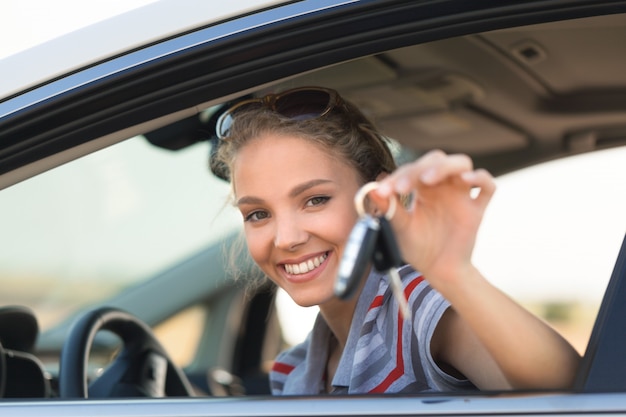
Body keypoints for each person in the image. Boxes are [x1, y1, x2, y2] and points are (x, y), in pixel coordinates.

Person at [213, 86, 581, 395]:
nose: (286, 238)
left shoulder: (416, 308)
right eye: (258, 214)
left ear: (375, 202)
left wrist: (455, 274)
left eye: (315, 200)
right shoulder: (290, 372)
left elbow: (569, 390)